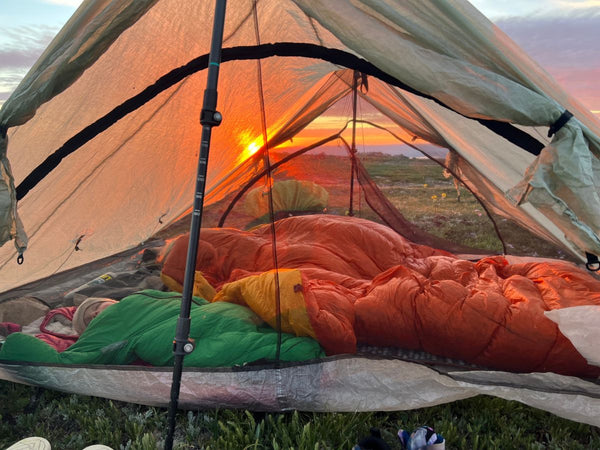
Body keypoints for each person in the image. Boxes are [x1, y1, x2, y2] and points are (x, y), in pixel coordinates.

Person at [0, 289, 324, 367]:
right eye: (91, 316)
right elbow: (62, 363)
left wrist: (14, 340)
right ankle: (314, 340)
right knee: (260, 344)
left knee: (213, 349)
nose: (99, 311)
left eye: (99, 306)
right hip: (216, 318)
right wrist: (14, 340)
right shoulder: (98, 335)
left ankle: (310, 340)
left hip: (206, 317)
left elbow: (191, 298)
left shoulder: (139, 296)